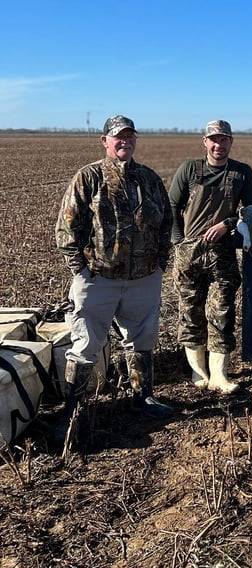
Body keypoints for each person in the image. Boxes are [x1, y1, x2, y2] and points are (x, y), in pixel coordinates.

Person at [54, 115, 173, 445]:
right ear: (104, 141)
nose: (125, 141)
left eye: (130, 136)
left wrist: (159, 263)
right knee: (86, 344)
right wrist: (80, 269)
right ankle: (72, 411)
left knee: (142, 338)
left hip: (143, 278)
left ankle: (142, 396)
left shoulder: (148, 179)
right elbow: (67, 229)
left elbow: (166, 223)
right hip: (99, 278)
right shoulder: (89, 177)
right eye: (118, 136)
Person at [168, 120, 252, 394]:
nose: (219, 145)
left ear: (231, 142)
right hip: (189, 253)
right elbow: (172, 206)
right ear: (205, 142)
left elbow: (251, 210)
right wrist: (177, 242)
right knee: (190, 312)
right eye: (214, 140)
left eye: (224, 140)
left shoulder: (242, 174)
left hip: (222, 253)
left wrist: (228, 224)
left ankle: (219, 374)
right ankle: (198, 373)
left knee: (221, 312)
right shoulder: (189, 170)